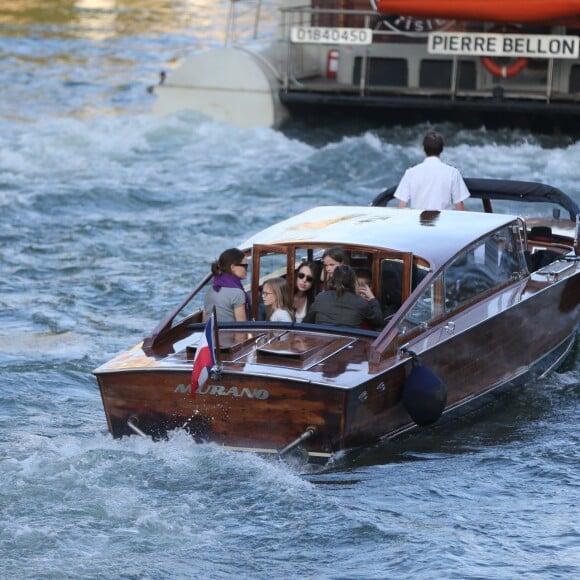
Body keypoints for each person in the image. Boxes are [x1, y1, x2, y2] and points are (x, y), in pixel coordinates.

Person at [394, 131, 470, 211]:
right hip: (444, 222)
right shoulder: (453, 172)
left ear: (423, 149)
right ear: (442, 149)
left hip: (418, 223)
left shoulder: (410, 173)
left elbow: (401, 207)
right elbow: (460, 208)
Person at [303, 265, 384, 329]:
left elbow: (307, 322)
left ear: (333, 279)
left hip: (322, 344)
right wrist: (372, 298)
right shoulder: (360, 302)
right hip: (349, 346)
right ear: (353, 282)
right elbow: (378, 321)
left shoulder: (321, 297)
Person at [203, 248, 249, 322]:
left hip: (212, 333)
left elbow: (204, 321)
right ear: (233, 267)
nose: (247, 269)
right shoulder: (237, 293)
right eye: (245, 266)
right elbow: (241, 329)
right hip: (231, 333)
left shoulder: (210, 291)